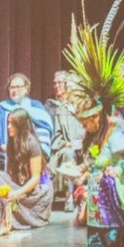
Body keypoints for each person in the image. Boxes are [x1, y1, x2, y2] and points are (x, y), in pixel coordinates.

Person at [74, 98, 124, 247]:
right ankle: (100, 239)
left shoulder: (117, 128)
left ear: (97, 116)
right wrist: (80, 171)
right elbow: (92, 160)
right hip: (97, 185)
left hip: (115, 184)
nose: (84, 127)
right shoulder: (94, 133)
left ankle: (119, 238)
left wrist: (118, 169)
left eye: (86, 123)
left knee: (107, 186)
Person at [0, 108, 54, 236]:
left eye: (12, 123)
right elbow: (11, 174)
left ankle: (15, 220)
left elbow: (35, 179)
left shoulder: (32, 143)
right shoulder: (12, 142)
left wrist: (17, 193)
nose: (8, 126)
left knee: (13, 193)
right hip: (21, 185)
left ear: (21, 125)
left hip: (37, 192)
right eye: (8, 123)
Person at [0, 72, 53, 176]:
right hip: (5, 160)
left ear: (26, 88)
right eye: (12, 87)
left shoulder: (37, 108)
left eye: (18, 87)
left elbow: (43, 140)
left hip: (31, 159)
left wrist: (29, 152)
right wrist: (2, 149)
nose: (14, 90)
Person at [46, 69, 85, 209]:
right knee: (67, 154)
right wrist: (65, 144)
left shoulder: (84, 106)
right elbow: (54, 133)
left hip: (85, 146)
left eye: (61, 83)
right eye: (54, 83)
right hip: (64, 147)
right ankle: (68, 197)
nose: (57, 86)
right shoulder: (55, 108)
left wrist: (80, 143)